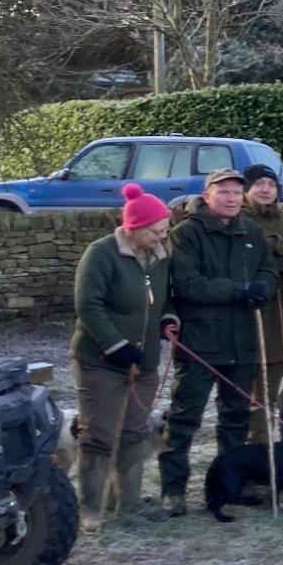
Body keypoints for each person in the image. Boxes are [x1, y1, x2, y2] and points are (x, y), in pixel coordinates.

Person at [157, 168, 278, 514]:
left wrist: (263, 290)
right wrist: (238, 290)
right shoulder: (186, 234)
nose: (231, 198)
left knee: (236, 418)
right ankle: (174, 490)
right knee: (185, 418)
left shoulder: (250, 231)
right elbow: (187, 284)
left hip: (242, 339)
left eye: (237, 193)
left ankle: (231, 483)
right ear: (207, 195)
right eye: (223, 192)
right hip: (200, 340)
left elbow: (268, 269)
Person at [71, 184, 179, 530]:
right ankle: (90, 508)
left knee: (135, 430)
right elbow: (88, 305)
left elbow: (167, 298)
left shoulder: (161, 256)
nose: (162, 236)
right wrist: (115, 345)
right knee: (99, 433)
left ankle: (129, 505)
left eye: (165, 229)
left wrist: (168, 319)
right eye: (156, 230)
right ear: (134, 228)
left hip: (143, 362)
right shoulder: (101, 254)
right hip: (100, 361)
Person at [241, 162, 283, 441]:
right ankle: (250, 452)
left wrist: (282, 246)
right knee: (244, 394)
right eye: (259, 184)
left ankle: (268, 451)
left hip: (277, 313)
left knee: (269, 389)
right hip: (243, 313)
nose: (266, 190)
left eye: (271, 184)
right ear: (246, 189)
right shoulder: (236, 217)